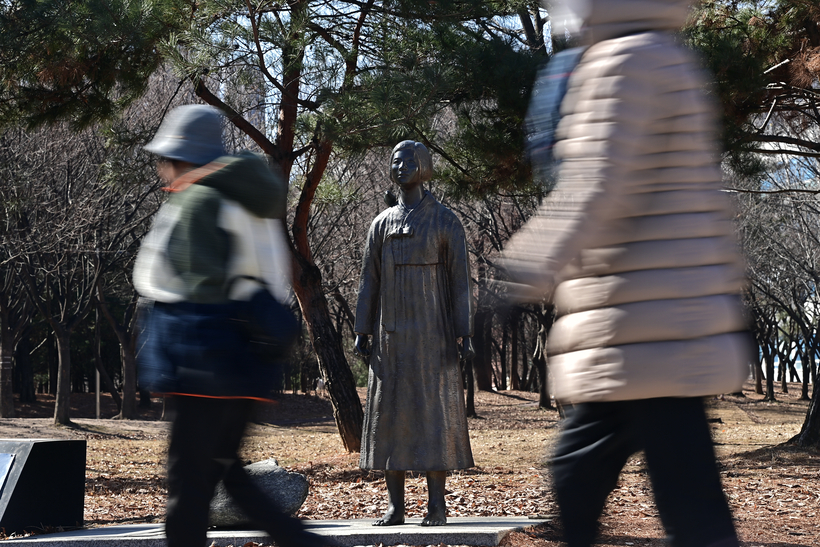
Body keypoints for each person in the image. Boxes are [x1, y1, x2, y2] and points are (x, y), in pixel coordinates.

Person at [500, 1, 749, 546]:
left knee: (668, 503)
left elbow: (596, 185)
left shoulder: (624, 61)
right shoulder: (660, 53)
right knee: (617, 485)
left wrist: (522, 271)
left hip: (644, 325)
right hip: (645, 323)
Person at [133, 104, 324, 547]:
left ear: (184, 156)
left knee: (188, 483)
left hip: (201, 358)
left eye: (167, 157)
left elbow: (174, 278)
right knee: (226, 473)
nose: (163, 167)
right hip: (245, 357)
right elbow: (271, 277)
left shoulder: (200, 200)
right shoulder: (250, 200)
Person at [354, 140, 475, 526]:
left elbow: (459, 282)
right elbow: (367, 282)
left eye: (408, 160)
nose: (400, 166)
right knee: (390, 413)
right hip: (390, 336)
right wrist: (361, 329)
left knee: (432, 413)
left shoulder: (445, 221)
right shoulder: (381, 224)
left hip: (432, 333)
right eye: (394, 160)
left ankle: (436, 504)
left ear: (423, 166)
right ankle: (395, 506)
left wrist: (464, 332)